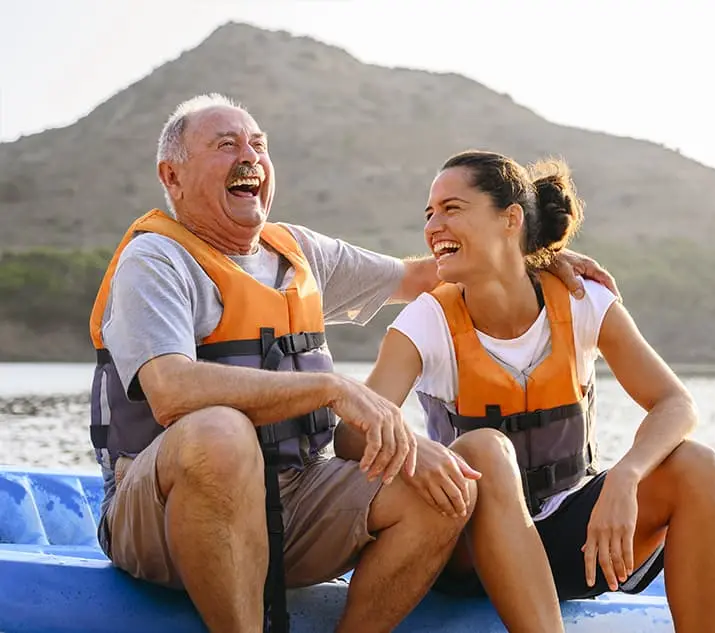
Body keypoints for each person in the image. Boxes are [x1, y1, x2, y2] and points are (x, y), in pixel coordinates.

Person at [87, 94, 617, 633]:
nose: (250, 157)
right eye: (226, 146)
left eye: (259, 145)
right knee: (219, 432)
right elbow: (171, 389)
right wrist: (329, 391)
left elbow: (422, 277)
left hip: (295, 500)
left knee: (445, 486)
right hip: (163, 517)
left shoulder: (300, 252)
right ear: (172, 176)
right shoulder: (155, 261)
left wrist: (527, 255)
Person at [361, 150, 715, 633]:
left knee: (698, 466)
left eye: (452, 209)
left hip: (574, 545)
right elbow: (356, 431)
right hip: (467, 553)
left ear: (510, 219)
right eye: (429, 214)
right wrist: (418, 451)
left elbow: (675, 403)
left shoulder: (582, 300)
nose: (434, 225)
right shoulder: (425, 320)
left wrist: (625, 477)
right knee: (483, 449)